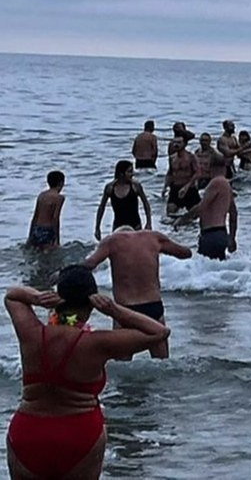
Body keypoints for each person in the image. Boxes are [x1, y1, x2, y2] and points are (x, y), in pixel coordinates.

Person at [5, 265, 169, 480]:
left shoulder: (32, 333)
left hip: (29, 434)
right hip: (79, 435)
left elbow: (12, 296)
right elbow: (159, 331)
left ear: (57, 297)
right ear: (92, 302)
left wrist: (37, 298)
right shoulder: (98, 343)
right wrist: (114, 310)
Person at [83, 225, 192, 359]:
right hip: (153, 309)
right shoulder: (154, 237)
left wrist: (63, 274)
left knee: (122, 364)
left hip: (125, 310)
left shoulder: (111, 241)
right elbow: (185, 253)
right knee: (162, 362)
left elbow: (89, 264)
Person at [186, 152, 239, 259]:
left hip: (211, 234)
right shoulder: (226, 184)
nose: (203, 167)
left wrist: (183, 219)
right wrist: (232, 238)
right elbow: (233, 213)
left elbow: (201, 207)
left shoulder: (216, 182)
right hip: (221, 233)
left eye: (205, 164)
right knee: (216, 270)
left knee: (204, 271)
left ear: (210, 166)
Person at [94, 160, 152, 240]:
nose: (132, 174)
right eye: (129, 172)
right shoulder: (110, 188)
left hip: (135, 226)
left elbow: (146, 204)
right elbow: (101, 208)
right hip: (118, 226)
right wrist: (97, 227)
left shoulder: (135, 186)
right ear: (121, 173)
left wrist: (148, 223)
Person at [164, 133, 201, 216]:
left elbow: (198, 173)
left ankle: (192, 229)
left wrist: (187, 187)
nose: (176, 145)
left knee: (195, 214)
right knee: (170, 213)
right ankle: (172, 229)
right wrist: (165, 187)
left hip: (189, 189)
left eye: (179, 143)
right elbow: (170, 173)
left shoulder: (191, 157)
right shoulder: (172, 158)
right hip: (175, 188)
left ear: (184, 144)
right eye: (175, 143)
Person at [28, 171, 65, 251]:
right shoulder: (59, 198)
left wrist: (30, 235)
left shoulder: (42, 195)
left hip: (37, 229)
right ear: (61, 183)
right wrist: (57, 238)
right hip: (48, 230)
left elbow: (35, 216)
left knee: (36, 254)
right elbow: (55, 218)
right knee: (49, 257)